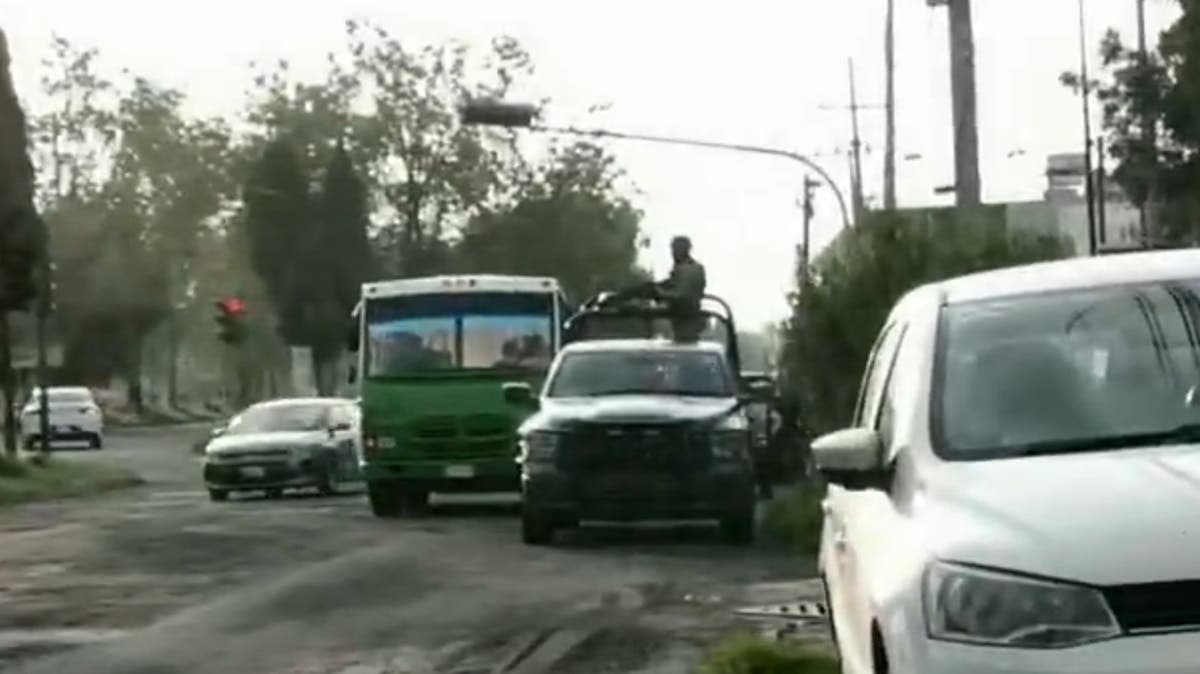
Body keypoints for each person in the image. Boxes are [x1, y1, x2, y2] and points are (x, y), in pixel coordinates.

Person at [654, 236, 707, 341]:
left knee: (686, 343)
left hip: (687, 319)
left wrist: (660, 293)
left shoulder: (690, 269)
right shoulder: (687, 268)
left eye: (675, 249)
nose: (672, 253)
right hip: (684, 319)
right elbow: (672, 284)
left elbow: (681, 295)